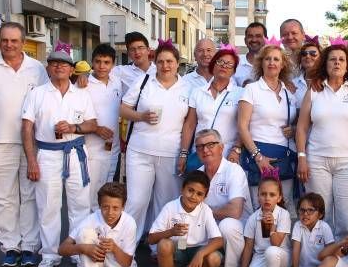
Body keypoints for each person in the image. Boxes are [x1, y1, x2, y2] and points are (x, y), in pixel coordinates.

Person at [0, 22, 49, 267]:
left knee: (29, 194)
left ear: (23, 42)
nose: (9, 45)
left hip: (32, 142)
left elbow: (44, 100)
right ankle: (10, 246)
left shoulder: (37, 68)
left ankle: (29, 246)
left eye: (14, 40)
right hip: (0, 139)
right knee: (3, 196)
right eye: (5, 40)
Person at [21, 48, 98, 267]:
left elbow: (92, 125)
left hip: (75, 154)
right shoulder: (37, 93)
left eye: (64, 64)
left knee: (80, 205)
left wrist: (74, 127)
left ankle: (76, 250)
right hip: (46, 154)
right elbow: (27, 128)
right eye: (54, 63)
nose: (59, 67)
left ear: (72, 69)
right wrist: (31, 161)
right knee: (48, 206)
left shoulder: (82, 95)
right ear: (48, 68)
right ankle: (50, 253)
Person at [296, 41, 348, 239]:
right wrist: (301, 157)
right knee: (320, 215)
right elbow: (302, 127)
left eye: (341, 60)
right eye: (332, 59)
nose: (337, 63)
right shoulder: (314, 90)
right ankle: (319, 261)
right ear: (325, 64)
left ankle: (344, 262)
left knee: (347, 218)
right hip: (316, 161)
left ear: (347, 65)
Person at [119, 41, 192, 248]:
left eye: (170, 61)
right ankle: (126, 246)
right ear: (155, 63)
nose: (165, 66)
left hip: (171, 152)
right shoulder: (144, 81)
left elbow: (189, 123)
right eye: (160, 61)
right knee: (136, 201)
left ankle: (158, 247)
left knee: (166, 202)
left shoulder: (188, 87)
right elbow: (123, 109)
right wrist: (140, 116)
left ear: (178, 63)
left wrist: (184, 153)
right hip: (139, 151)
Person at [148, 170, 224, 267]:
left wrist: (200, 254)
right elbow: (151, 239)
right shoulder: (170, 207)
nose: (193, 196)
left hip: (197, 251)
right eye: (190, 190)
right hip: (178, 250)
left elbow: (219, 240)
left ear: (204, 197)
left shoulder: (205, 210)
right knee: (164, 244)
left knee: (214, 259)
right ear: (182, 189)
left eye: (199, 194)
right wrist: (171, 232)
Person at [58, 182, 137, 267]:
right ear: (99, 206)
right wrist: (84, 248)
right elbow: (62, 249)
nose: (110, 213)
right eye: (105, 207)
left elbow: (127, 262)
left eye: (115, 208)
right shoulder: (92, 219)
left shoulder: (129, 223)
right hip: (98, 262)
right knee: (84, 234)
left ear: (123, 207)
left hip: (120, 264)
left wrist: (115, 248)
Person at [238, 43, 298, 208]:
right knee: (260, 208)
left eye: (276, 59)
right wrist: (258, 157)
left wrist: (293, 129)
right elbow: (242, 126)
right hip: (259, 155)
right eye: (268, 59)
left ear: (282, 64)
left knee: (285, 208)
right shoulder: (252, 89)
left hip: (284, 157)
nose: (272, 62)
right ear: (261, 63)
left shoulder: (288, 92)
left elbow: (293, 122)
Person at [196, 129, 253, 267]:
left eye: (210, 145)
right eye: (200, 147)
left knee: (227, 225)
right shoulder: (198, 174)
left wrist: (205, 212)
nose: (205, 150)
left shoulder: (233, 170)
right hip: (211, 228)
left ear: (221, 148)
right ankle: (210, 265)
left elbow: (235, 211)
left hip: (237, 229)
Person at [181, 46, 243, 170]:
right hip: (200, 153)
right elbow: (190, 125)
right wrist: (183, 153)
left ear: (234, 71)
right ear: (213, 65)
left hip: (227, 155)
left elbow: (245, 125)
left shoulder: (241, 93)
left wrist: (237, 148)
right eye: (220, 61)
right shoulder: (197, 92)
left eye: (229, 64)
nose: (224, 66)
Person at [238, 175, 292, 267]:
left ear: (279, 198)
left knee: (272, 251)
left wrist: (272, 225)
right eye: (263, 194)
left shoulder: (284, 214)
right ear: (258, 196)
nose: (267, 198)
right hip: (260, 256)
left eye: (272, 195)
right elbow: (249, 247)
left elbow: (276, 244)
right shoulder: (253, 218)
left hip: (280, 255)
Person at [84, 44, 124, 211]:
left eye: (106, 62)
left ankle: (103, 231)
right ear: (92, 62)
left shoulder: (117, 82)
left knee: (107, 192)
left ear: (113, 65)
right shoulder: (84, 83)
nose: (102, 66)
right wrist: (96, 128)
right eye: (98, 61)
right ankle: (87, 233)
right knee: (90, 194)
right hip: (92, 148)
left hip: (112, 147)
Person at [288, 192, 335, 267]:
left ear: (320, 214)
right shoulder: (297, 226)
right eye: (302, 210)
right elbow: (296, 249)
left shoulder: (324, 227)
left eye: (311, 210)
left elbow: (331, 252)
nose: (305, 214)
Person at [111, 32, 155, 97]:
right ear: (128, 53)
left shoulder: (159, 70)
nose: (137, 52)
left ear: (148, 50)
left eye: (140, 48)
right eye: (132, 49)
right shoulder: (121, 71)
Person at [234, 22, 267, 86]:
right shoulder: (235, 62)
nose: (254, 40)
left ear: (266, 39)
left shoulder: (273, 63)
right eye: (250, 36)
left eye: (258, 36)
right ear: (245, 40)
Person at [292, 38, 321, 105]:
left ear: (321, 58)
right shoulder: (293, 84)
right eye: (304, 54)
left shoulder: (327, 82)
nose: (307, 56)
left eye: (313, 53)